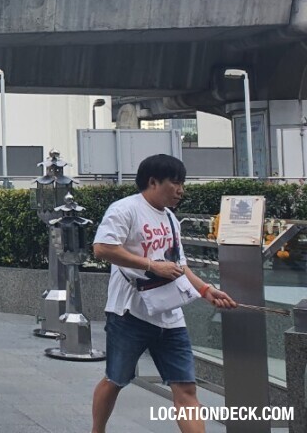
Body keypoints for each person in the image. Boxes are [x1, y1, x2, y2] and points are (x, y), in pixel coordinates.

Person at [90, 154, 236, 433]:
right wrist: (150, 265)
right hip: (128, 312)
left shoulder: (170, 218)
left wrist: (207, 290)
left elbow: (180, 265)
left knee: (186, 387)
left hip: (169, 315)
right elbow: (102, 248)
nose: (180, 190)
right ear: (153, 182)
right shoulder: (124, 210)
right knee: (116, 379)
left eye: (182, 183)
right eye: (175, 183)